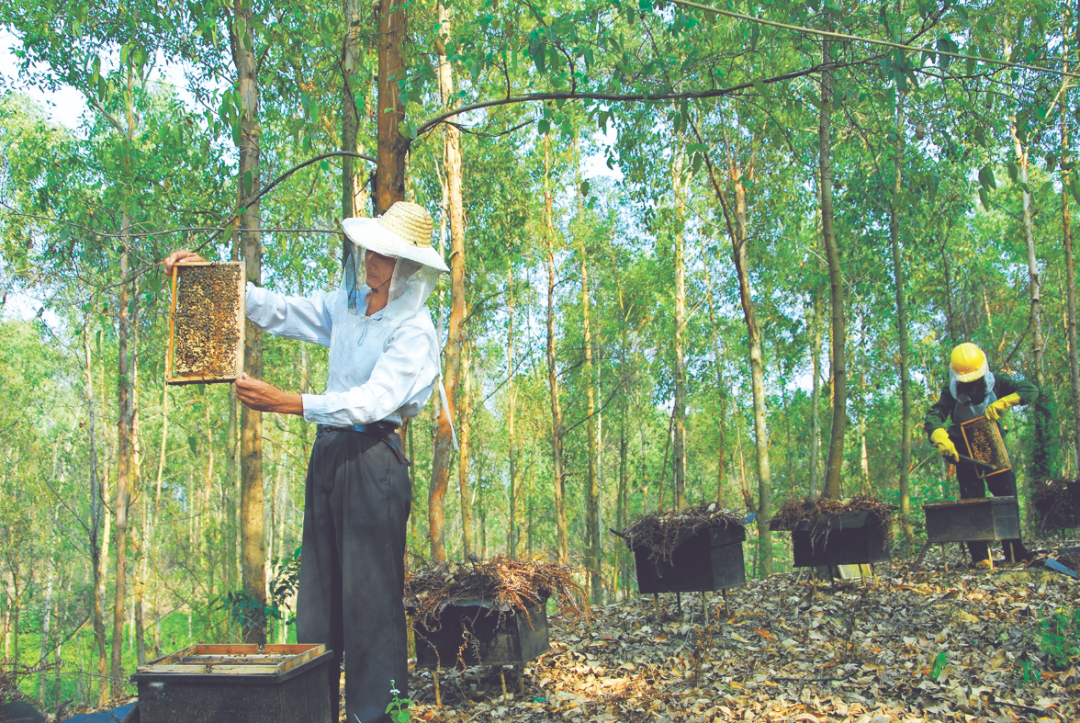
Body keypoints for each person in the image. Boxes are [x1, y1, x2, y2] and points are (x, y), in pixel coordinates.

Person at [165, 201, 448, 723]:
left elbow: (373, 400)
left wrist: (291, 402)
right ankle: (312, 712)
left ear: (409, 266)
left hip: (375, 460)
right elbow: (283, 310)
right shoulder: (348, 306)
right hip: (329, 454)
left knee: (370, 603)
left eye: (386, 255)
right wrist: (216, 282)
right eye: (372, 249)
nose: (372, 260)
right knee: (318, 600)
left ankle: (378, 716)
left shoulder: (415, 332)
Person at [924, 342, 1038, 568]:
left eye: (975, 382)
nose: (973, 387)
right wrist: (939, 435)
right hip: (963, 448)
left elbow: (1030, 390)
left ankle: (1015, 552)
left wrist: (1006, 401)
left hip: (992, 443)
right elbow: (934, 415)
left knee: (1006, 496)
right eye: (967, 383)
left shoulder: (999, 382)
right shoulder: (950, 391)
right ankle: (980, 557)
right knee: (972, 499)